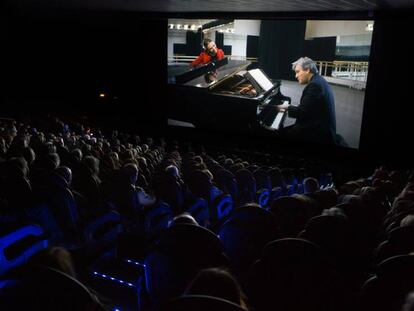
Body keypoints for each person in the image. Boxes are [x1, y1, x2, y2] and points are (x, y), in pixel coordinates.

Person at [277, 57, 338, 145]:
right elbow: (309, 109)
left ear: (307, 70)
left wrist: (287, 108)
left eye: (298, 72)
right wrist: (289, 108)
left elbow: (302, 113)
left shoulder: (315, 86)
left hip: (319, 133)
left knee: (278, 134)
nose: (296, 76)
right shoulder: (319, 81)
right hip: (318, 125)